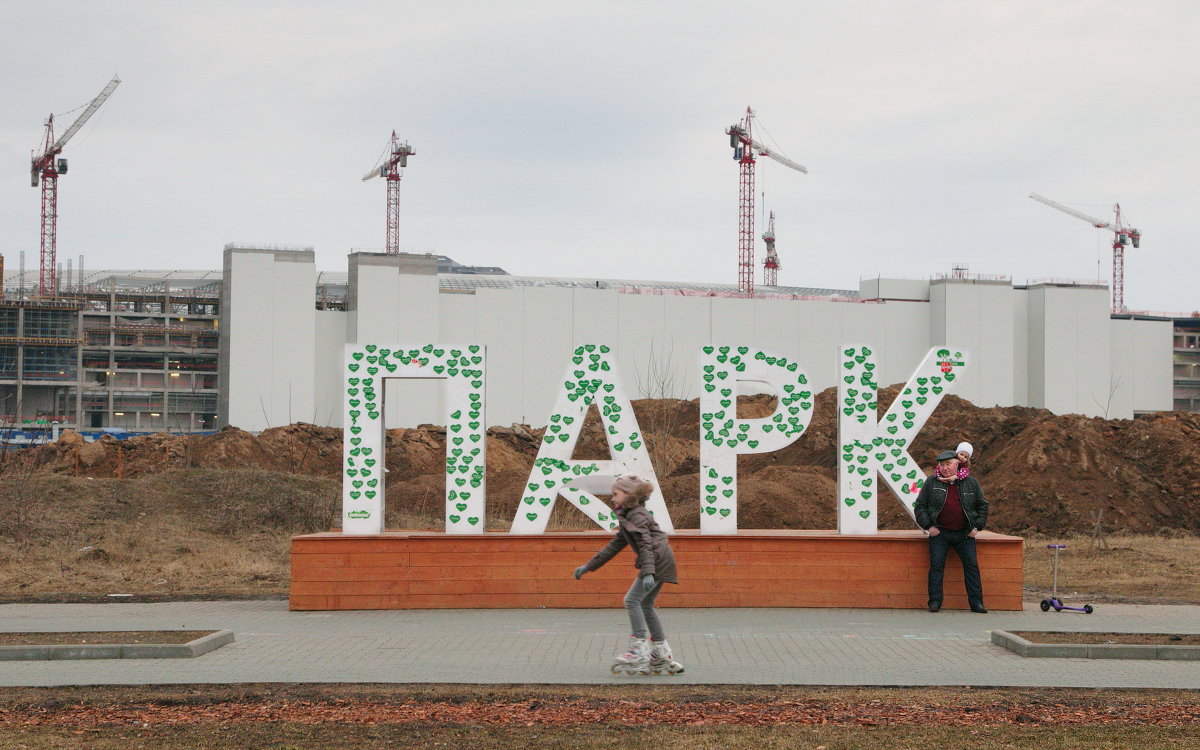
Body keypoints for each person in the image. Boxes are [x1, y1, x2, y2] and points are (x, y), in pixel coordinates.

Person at [574, 473, 684, 675]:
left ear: (628, 494)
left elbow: (645, 544)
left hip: (655, 560)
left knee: (632, 600)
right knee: (645, 604)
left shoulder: (637, 516)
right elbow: (614, 545)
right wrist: (589, 566)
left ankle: (638, 649)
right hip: (662, 560)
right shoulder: (630, 515)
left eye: (615, 494)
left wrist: (649, 572)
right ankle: (661, 651)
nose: (612, 498)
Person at [914, 449, 989, 614]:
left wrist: (977, 527)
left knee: (971, 567)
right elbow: (920, 506)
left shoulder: (971, 483)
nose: (945, 468)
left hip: (965, 534)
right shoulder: (931, 482)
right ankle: (934, 602)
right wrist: (928, 526)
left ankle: (977, 603)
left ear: (957, 464)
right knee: (936, 567)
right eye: (942, 464)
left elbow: (982, 506)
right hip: (940, 534)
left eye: (948, 464)